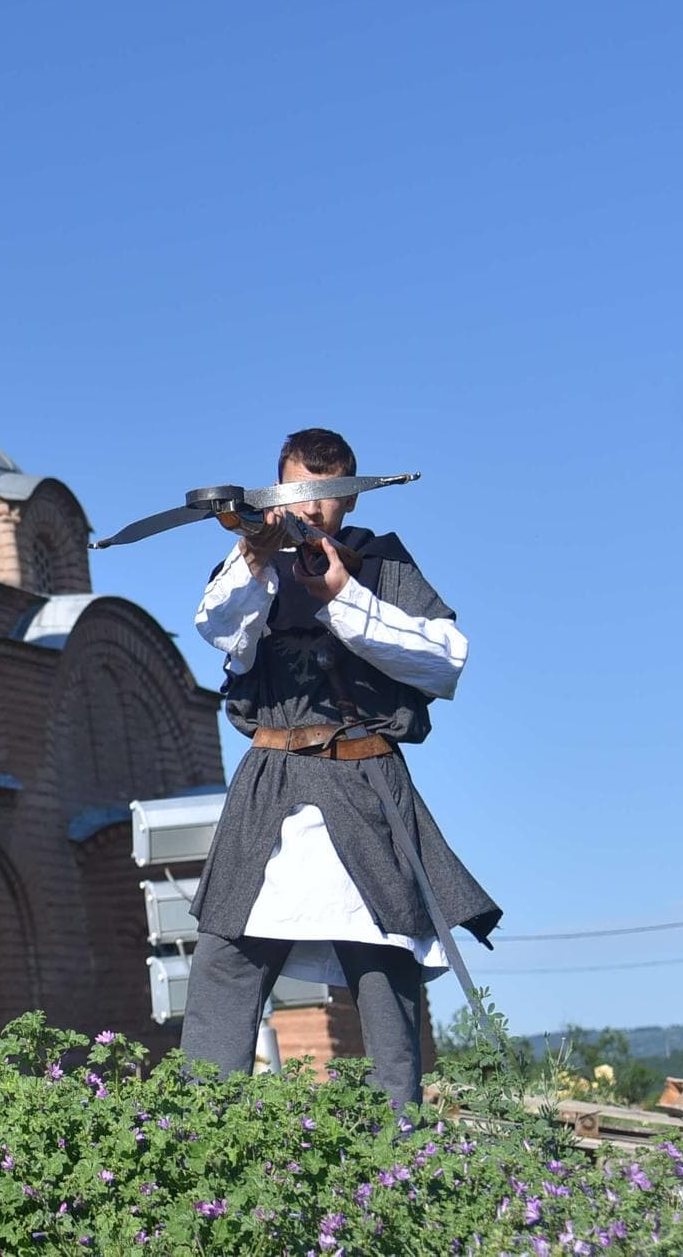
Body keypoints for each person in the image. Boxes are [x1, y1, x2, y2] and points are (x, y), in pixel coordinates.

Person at [182, 427, 499, 1108]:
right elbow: (220, 632)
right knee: (224, 959)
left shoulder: (381, 567)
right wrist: (252, 557)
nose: (312, 509)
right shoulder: (251, 568)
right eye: (298, 491)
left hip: (364, 780)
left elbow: (445, 658)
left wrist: (340, 597)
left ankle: (399, 1151)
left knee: (385, 972)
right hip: (271, 784)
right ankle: (202, 1138)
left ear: (348, 497)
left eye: (325, 495)